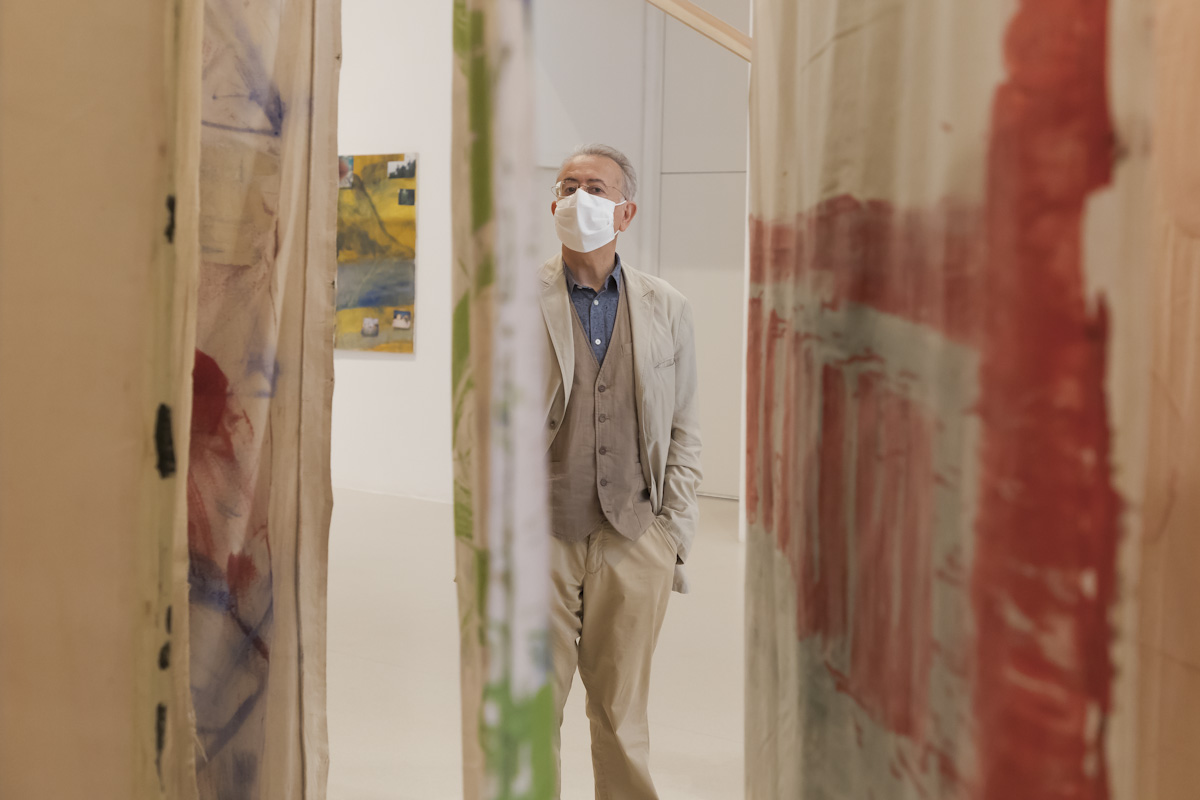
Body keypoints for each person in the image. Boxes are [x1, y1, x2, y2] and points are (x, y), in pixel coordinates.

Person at [539, 143, 702, 799]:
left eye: (596, 188)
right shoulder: (512, 303)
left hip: (635, 536)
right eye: (568, 186)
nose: (579, 198)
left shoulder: (669, 308)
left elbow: (685, 428)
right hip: (539, 538)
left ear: (625, 212)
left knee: (622, 719)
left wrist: (673, 534)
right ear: (553, 204)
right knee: (527, 717)